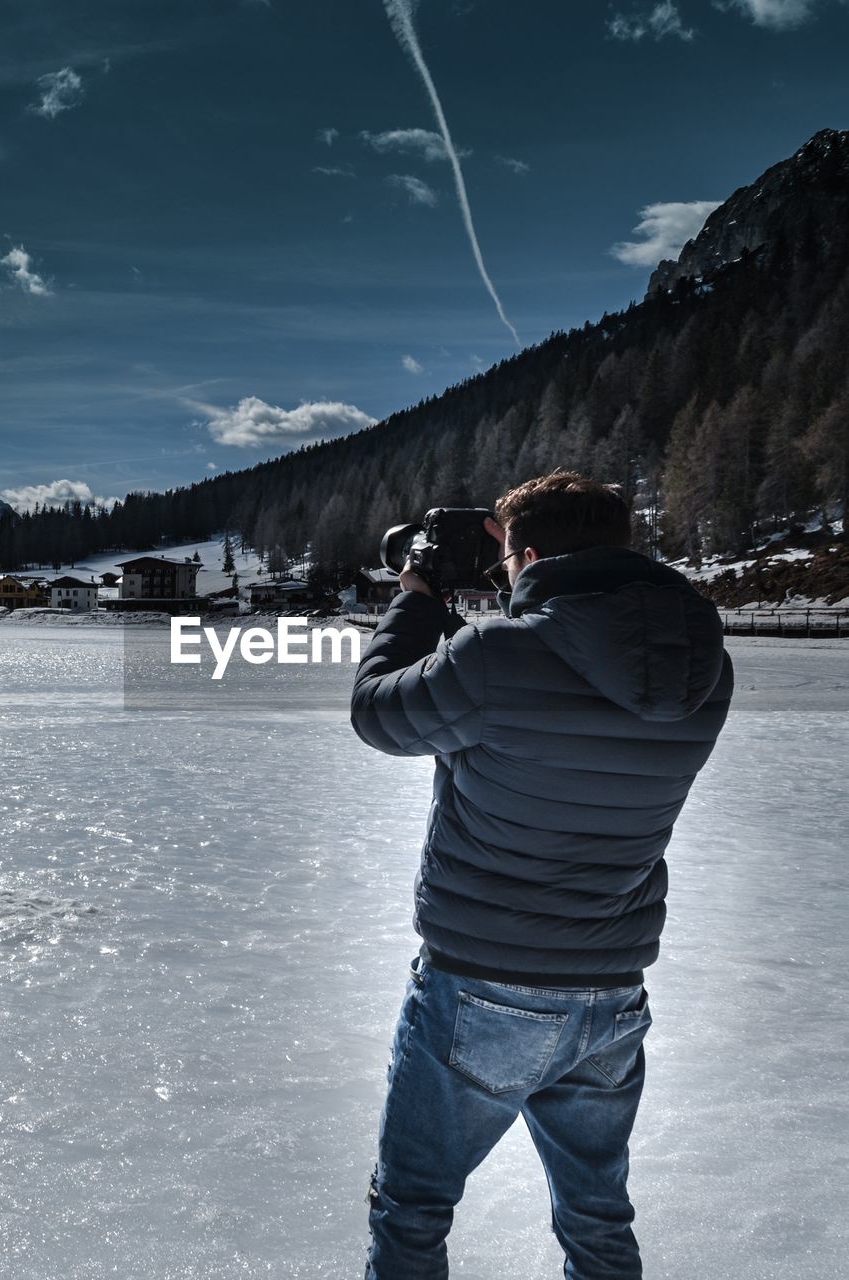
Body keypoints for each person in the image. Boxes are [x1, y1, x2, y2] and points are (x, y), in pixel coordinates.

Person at [350, 471, 733, 1280]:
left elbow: (377, 715)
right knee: (597, 1218)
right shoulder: (705, 670)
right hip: (611, 993)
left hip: (482, 987)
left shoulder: (494, 656)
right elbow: (576, 671)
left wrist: (418, 596)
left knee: (412, 1208)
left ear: (523, 554)